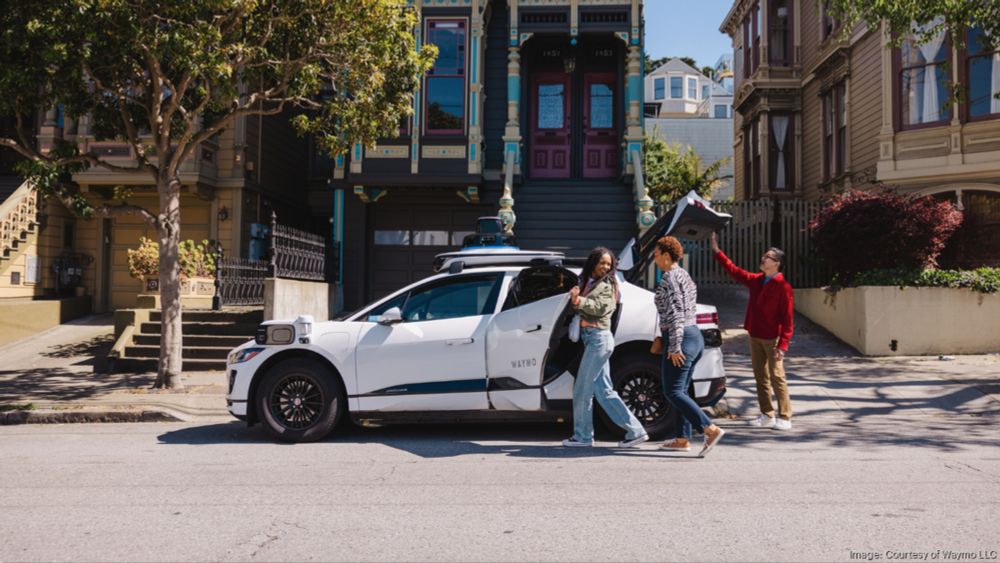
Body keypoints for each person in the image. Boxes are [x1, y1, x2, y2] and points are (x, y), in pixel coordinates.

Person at [563, 247, 649, 449]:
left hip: (598, 340)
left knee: (582, 389)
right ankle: (636, 431)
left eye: (608, 264)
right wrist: (575, 298)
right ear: (593, 262)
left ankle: (583, 437)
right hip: (593, 340)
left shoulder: (608, 284)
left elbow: (600, 308)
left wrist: (579, 300)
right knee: (604, 392)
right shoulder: (588, 282)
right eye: (602, 262)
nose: (605, 267)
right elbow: (582, 307)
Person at [711, 233, 794, 430]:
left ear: (777, 263)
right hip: (755, 335)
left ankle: (785, 417)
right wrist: (717, 251)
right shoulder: (757, 280)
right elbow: (735, 271)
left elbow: (788, 320)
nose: (763, 258)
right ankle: (767, 414)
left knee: (777, 377)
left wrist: (782, 345)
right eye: (764, 255)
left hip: (773, 339)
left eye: (768, 257)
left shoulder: (783, 287)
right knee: (760, 377)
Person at [653, 236, 726, 457]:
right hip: (694, 336)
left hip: (681, 338)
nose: (655, 257)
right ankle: (682, 439)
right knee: (681, 391)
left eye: (657, 254)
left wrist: (674, 346)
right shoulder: (684, 275)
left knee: (673, 391)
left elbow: (676, 313)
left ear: (667, 256)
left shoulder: (670, 278)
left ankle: (710, 429)